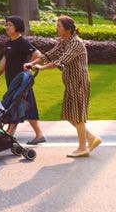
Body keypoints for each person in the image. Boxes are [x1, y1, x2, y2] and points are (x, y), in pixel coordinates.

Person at [24, 14, 99, 158]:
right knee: (68, 114)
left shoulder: (76, 43)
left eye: (59, 26)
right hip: (70, 82)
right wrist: (32, 64)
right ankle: (91, 138)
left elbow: (61, 61)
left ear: (68, 29)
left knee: (77, 116)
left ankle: (83, 148)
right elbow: (49, 55)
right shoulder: (64, 41)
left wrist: (41, 68)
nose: (56, 28)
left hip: (79, 83)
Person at [0, 16, 45, 145]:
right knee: (17, 105)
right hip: (12, 81)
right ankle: (12, 132)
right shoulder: (9, 43)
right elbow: (5, 60)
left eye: (10, 25)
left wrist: (28, 65)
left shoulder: (22, 42)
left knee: (24, 106)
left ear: (17, 27)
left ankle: (17, 132)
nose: (7, 27)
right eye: (6, 24)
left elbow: (38, 54)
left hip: (22, 82)